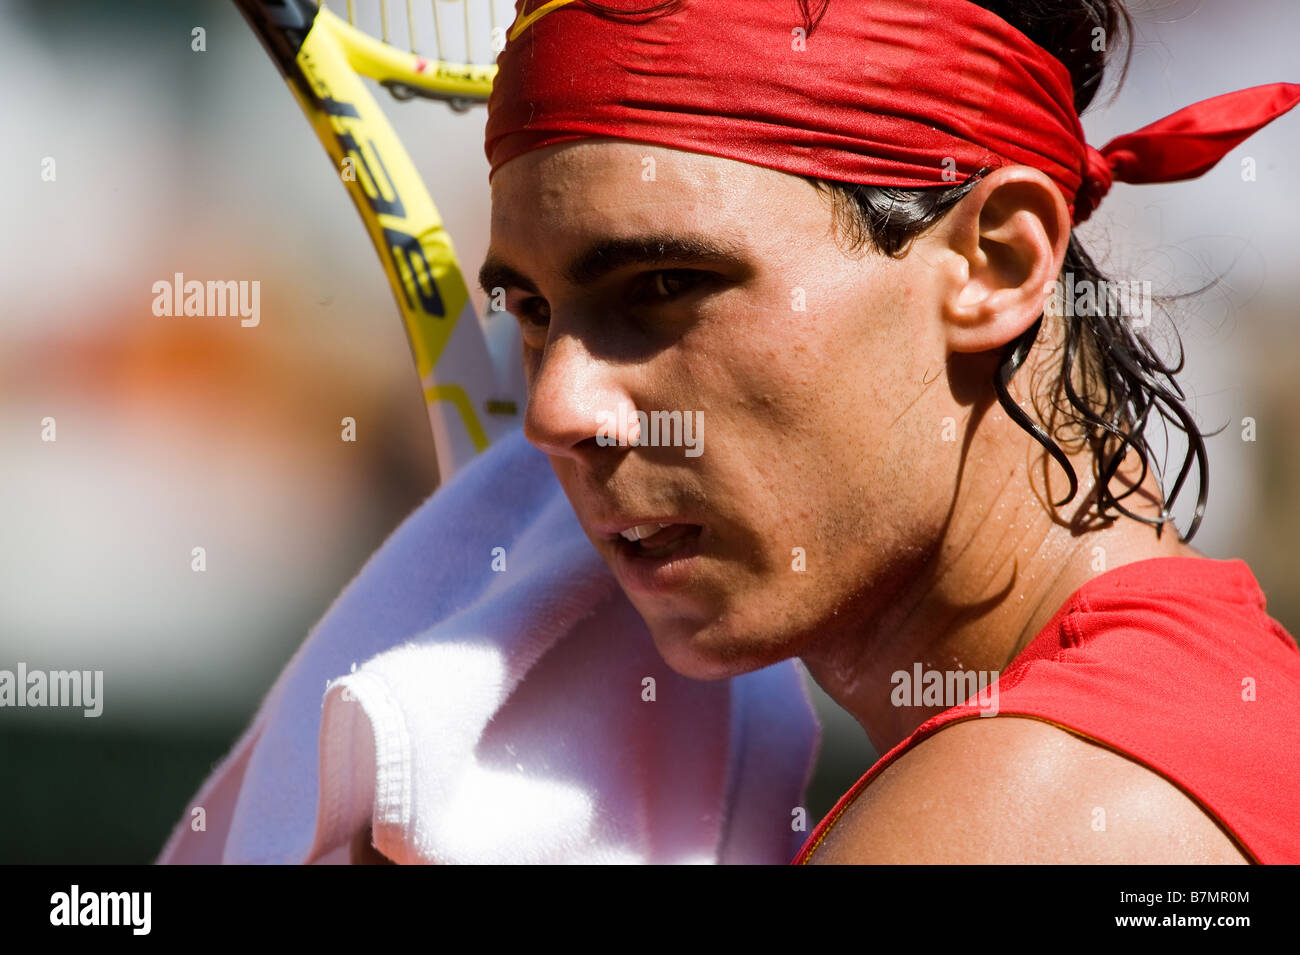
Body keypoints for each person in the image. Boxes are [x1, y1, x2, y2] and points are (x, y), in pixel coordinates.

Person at [479, 0, 1300, 863]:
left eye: (665, 281)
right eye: (532, 312)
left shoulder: (1011, 825)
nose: (556, 411)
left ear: (995, 264)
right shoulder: (1223, 709)